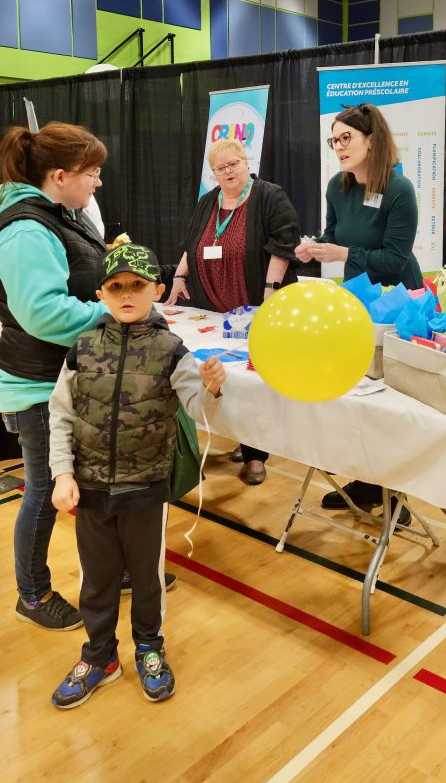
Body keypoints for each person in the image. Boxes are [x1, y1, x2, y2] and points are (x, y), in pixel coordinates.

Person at [48, 244, 226, 709]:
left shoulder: (172, 351)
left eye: (138, 285)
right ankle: (100, 655)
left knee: (146, 579)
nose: (127, 294)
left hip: (145, 488)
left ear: (158, 291)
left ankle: (150, 647)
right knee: (98, 578)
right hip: (88, 489)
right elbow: (61, 414)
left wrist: (210, 389)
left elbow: (197, 410)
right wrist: (62, 473)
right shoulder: (82, 349)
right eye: (116, 286)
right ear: (102, 293)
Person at [0, 122, 111, 632]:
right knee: (43, 492)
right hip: (37, 387)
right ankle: (32, 593)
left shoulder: (59, 216)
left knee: (91, 484)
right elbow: (44, 314)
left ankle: (105, 571)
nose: (97, 182)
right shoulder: (25, 230)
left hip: (70, 379)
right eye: (92, 173)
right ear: (60, 175)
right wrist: (113, 316)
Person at [294, 103, 424, 517]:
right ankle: (369, 483)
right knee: (361, 396)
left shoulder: (399, 190)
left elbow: (394, 260)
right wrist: (314, 246)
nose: (338, 147)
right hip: (359, 298)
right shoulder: (338, 185)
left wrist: (343, 251)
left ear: (372, 139)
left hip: (397, 302)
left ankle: (396, 494)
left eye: (346, 137)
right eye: (334, 140)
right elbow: (333, 234)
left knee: (394, 402)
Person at [164, 138, 301, 486]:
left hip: (255, 301)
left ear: (245, 162)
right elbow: (190, 244)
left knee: (252, 377)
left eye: (233, 164)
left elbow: (282, 246)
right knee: (225, 373)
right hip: (214, 304)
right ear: (213, 173)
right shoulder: (207, 201)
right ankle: (241, 436)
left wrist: (270, 293)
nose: (228, 172)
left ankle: (256, 454)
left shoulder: (269, 196)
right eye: (220, 168)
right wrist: (180, 276)